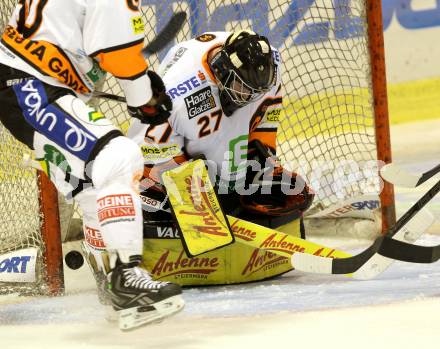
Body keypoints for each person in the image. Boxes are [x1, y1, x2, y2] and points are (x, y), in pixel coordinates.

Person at [0, 1, 183, 330]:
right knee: (119, 157)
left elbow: (98, 50)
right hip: (32, 88)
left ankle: (112, 287)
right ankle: (128, 276)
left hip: (27, 85)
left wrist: (142, 84)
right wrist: (144, 99)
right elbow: (120, 57)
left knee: (90, 183)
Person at [128, 30, 314, 234]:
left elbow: (265, 119)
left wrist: (261, 163)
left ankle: (228, 197)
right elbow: (151, 154)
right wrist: (187, 194)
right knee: (157, 201)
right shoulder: (178, 96)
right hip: (161, 157)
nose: (250, 97)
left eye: (256, 92)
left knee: (289, 191)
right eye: (242, 88)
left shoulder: (271, 66)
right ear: (224, 70)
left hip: (219, 153)